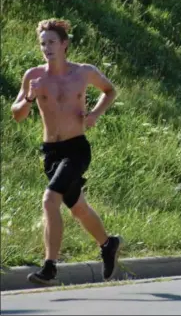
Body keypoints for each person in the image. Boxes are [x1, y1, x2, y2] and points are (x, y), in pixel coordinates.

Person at [11, 18, 123, 286]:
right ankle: (108, 244)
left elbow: (110, 91)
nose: (46, 48)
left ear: (64, 44)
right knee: (78, 208)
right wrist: (29, 97)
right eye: (42, 43)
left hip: (76, 150)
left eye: (51, 42)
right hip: (50, 152)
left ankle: (50, 266)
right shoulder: (34, 76)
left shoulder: (83, 72)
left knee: (50, 199)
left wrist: (94, 114)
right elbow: (17, 115)